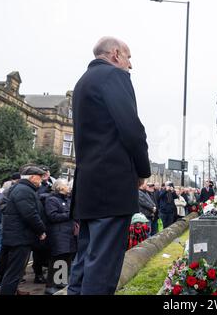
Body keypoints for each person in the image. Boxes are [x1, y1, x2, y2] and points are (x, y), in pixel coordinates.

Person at [68, 37, 151, 295]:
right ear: (115, 54)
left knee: (83, 265)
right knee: (102, 271)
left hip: (88, 189)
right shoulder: (114, 77)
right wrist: (142, 171)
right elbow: (131, 129)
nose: (130, 65)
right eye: (128, 58)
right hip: (112, 187)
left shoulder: (82, 83)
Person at [0, 165, 47, 295]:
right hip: (20, 238)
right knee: (14, 272)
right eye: (39, 177)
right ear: (32, 177)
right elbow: (30, 214)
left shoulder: (24, 189)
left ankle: (13, 290)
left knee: (16, 271)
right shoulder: (24, 190)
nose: (41, 181)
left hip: (19, 236)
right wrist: (41, 230)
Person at [43, 179, 77, 295]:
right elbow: (52, 216)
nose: (68, 187)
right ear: (60, 187)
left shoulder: (67, 199)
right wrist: (70, 215)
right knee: (57, 259)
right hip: (58, 234)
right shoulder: (51, 199)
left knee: (66, 258)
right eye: (66, 185)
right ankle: (51, 285)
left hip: (69, 234)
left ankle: (61, 282)